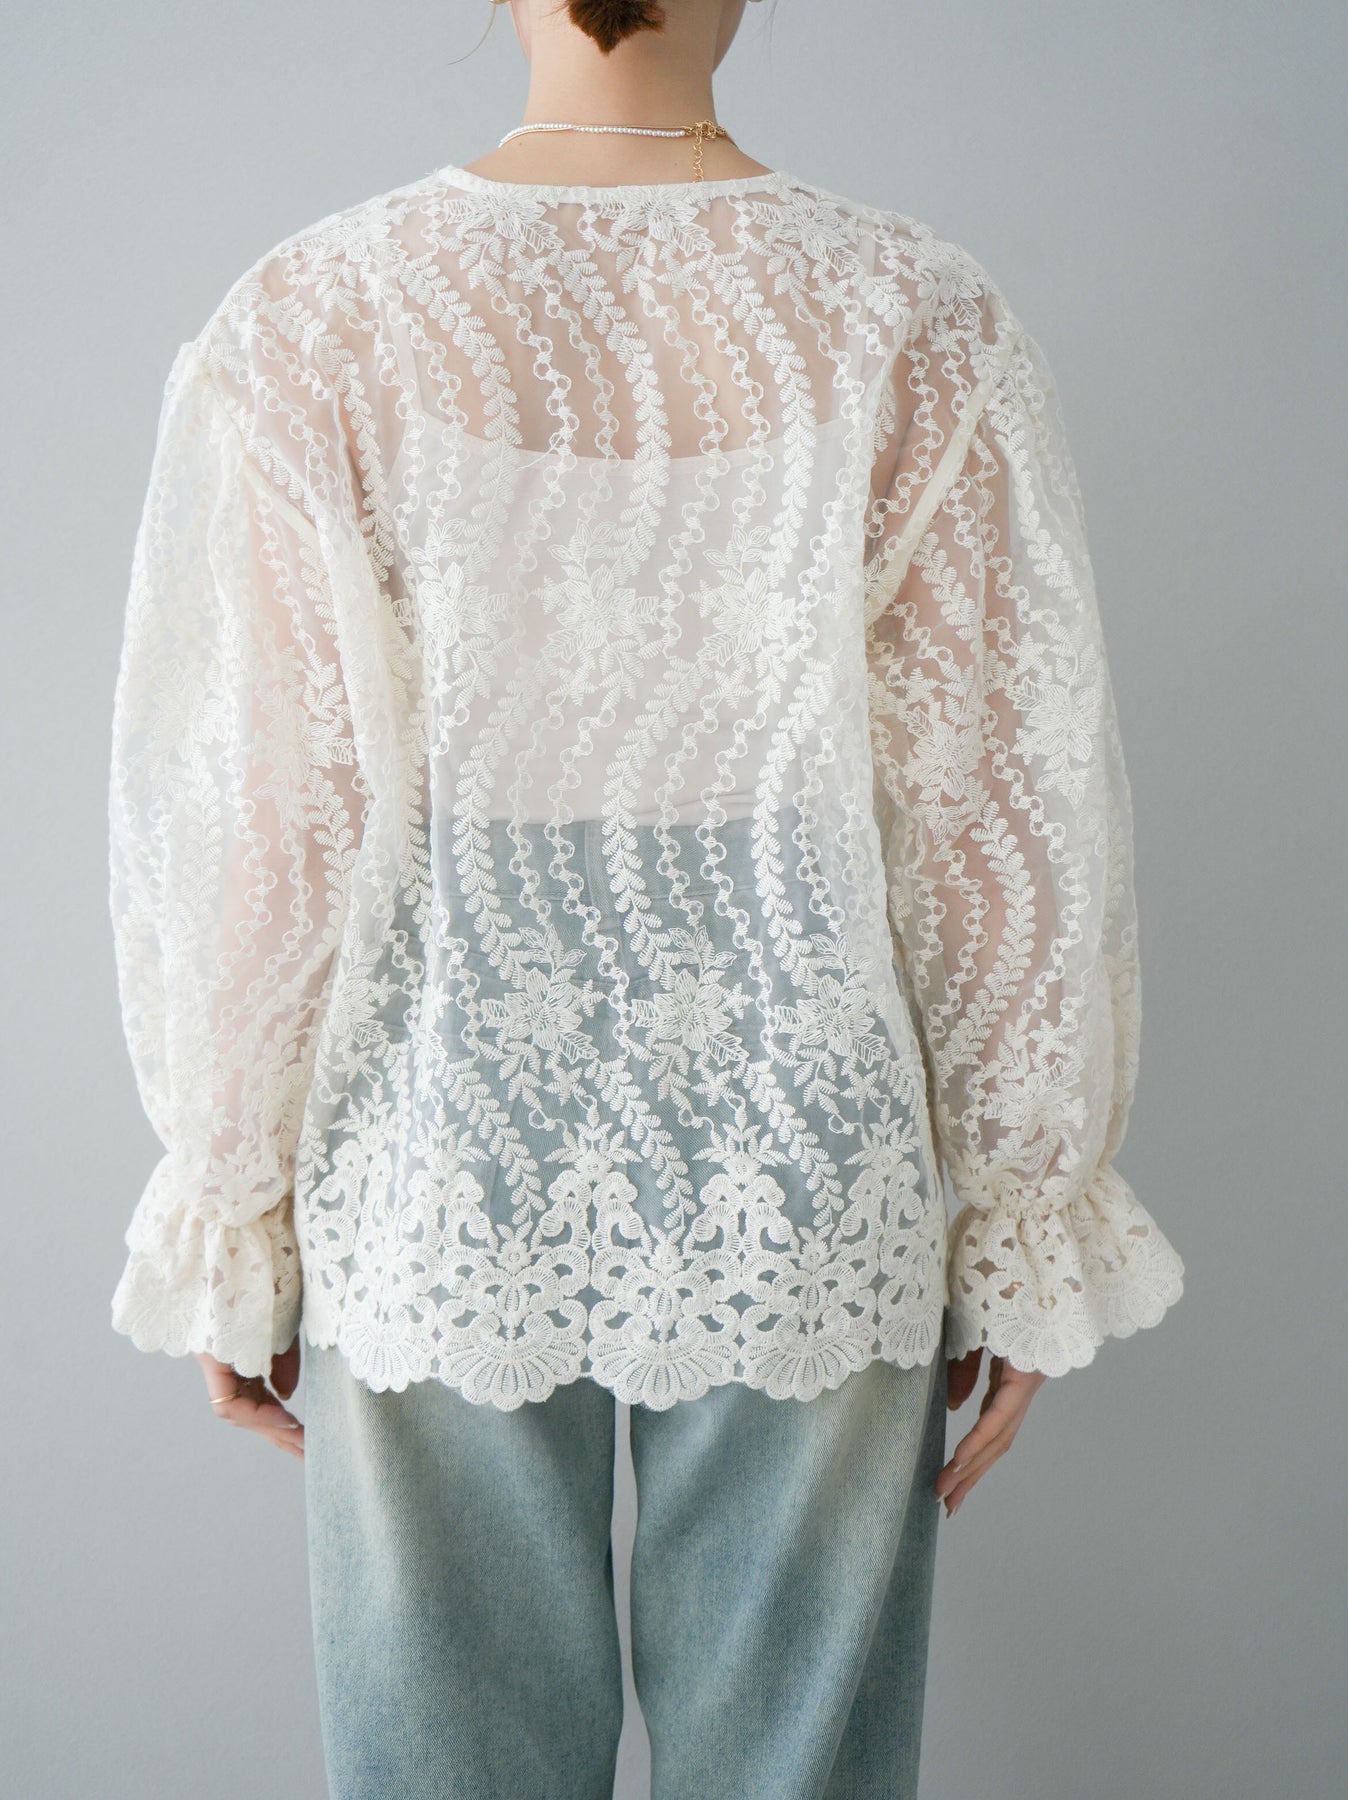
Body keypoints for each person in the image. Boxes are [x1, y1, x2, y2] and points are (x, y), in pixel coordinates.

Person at [106, 1, 1186, 1794]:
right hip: (803, 1145)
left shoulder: (314, 317)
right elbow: (992, 800)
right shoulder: (909, 315)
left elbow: (259, 809)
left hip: (437, 1145)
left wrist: (232, 1203)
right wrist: (1024, 1202)